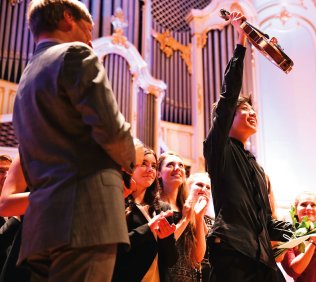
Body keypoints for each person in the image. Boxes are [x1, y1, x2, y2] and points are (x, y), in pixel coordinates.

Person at [12, 1, 136, 280]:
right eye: (88, 29)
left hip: (43, 224)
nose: (90, 39)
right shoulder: (75, 54)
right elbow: (111, 129)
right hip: (85, 216)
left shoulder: (26, 78)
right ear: (68, 18)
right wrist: (131, 159)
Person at [203, 10, 292, 282]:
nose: (252, 113)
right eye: (245, 109)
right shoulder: (218, 149)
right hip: (233, 253)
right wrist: (242, 41)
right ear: (229, 118)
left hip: (262, 259)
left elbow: (266, 223)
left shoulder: (256, 167)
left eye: (253, 109)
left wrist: (311, 229)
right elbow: (229, 95)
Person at [113, 146, 178, 282]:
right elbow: (115, 249)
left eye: (154, 166)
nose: (150, 170)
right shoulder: (118, 202)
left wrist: (166, 239)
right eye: (144, 164)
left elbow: (171, 260)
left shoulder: (163, 208)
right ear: (129, 168)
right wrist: (148, 229)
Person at [158, 152, 208, 281]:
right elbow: (162, 246)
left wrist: (198, 217)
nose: (177, 168)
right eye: (170, 165)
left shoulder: (187, 207)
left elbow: (198, 257)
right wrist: (185, 219)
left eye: (180, 165)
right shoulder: (155, 205)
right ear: (159, 173)